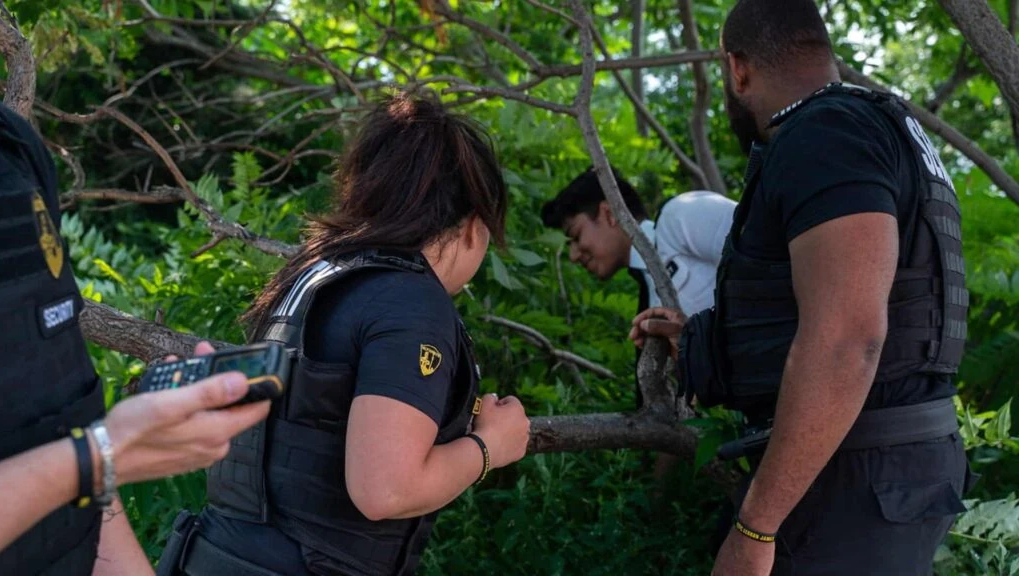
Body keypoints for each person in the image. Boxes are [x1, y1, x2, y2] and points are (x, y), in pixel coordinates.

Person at [632, 1, 976, 574]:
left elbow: (848, 340)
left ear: (737, 68)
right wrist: (701, 340)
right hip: (876, 469)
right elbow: (859, 306)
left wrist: (755, 529)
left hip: (851, 479)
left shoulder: (825, 133)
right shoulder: (876, 129)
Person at [157, 94, 531, 576]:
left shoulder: (309, 277)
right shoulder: (412, 301)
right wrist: (489, 448)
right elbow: (386, 490)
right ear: (473, 229)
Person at [0, 99, 270, 576]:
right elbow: (87, 459)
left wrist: (100, 455)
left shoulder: (12, 145)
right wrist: (101, 457)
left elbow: (73, 448)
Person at [542, 166, 734, 405]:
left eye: (576, 235)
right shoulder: (653, 306)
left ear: (609, 213)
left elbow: (773, 248)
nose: (572, 255)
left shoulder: (680, 216)